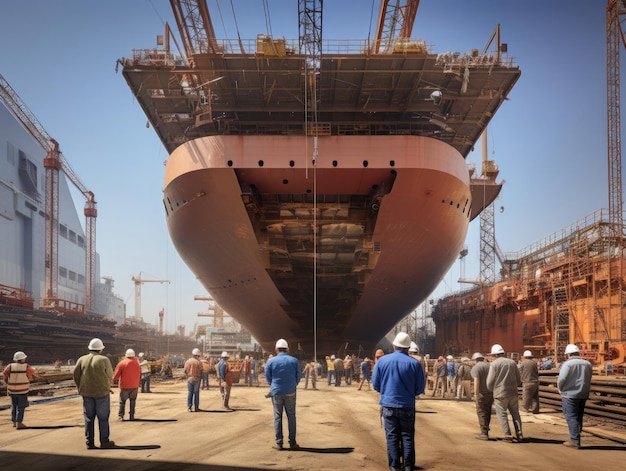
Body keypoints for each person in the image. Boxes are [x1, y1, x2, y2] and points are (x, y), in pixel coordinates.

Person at [372, 332, 425, 471]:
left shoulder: (382, 361)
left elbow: (375, 384)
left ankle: (394, 466)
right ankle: (408, 466)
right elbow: (419, 389)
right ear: (408, 347)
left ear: (394, 345)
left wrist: (386, 391)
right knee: (407, 436)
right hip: (407, 406)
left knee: (392, 437)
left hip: (388, 405)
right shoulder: (415, 364)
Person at [73, 338, 115, 449]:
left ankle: (89, 443)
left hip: (86, 393)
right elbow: (110, 375)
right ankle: (104, 441)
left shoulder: (82, 359)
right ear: (100, 349)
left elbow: (76, 375)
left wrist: (80, 389)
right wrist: (106, 387)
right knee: (103, 418)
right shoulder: (104, 359)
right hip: (102, 393)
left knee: (88, 418)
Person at [265, 338, 301, 451]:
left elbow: (268, 377)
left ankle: (279, 443)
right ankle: (293, 442)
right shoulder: (294, 361)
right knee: (291, 416)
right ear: (288, 349)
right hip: (290, 391)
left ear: (276, 349)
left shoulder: (270, 361)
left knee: (277, 417)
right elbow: (298, 376)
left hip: (276, 392)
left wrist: (274, 385)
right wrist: (292, 385)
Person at [486, 343, 523, 442]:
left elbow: (489, 381)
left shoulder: (494, 364)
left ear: (494, 355)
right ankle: (519, 434)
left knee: (502, 414)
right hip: (513, 392)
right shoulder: (512, 363)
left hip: (500, 393)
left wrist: (491, 389)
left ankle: (508, 435)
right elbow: (519, 379)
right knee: (515, 413)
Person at [557, 344, 592, 448]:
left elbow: (562, 379)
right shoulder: (588, 364)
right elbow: (589, 378)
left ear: (568, 355)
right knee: (578, 416)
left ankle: (575, 441)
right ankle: (577, 434)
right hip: (583, 394)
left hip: (569, 395)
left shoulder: (568, 364)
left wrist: (560, 389)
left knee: (571, 417)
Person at [3, 351, 35, 429]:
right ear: (22, 359)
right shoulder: (27, 367)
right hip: (22, 391)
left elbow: (5, 376)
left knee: (14, 405)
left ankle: (14, 422)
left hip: (12, 390)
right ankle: (19, 422)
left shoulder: (9, 366)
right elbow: (30, 376)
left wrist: (9, 384)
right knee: (21, 406)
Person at [112, 348, 141, 421]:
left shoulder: (122, 363)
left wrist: (113, 380)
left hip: (124, 386)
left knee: (122, 401)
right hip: (135, 385)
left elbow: (117, 374)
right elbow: (139, 373)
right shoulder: (137, 363)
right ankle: (132, 416)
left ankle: (121, 416)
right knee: (132, 401)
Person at [470, 352, 493, 440]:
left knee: (481, 412)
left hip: (481, 393)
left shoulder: (476, 367)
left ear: (475, 359)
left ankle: (484, 433)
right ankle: (486, 428)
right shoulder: (489, 366)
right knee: (488, 411)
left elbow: (476, 381)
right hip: (490, 392)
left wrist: (476, 394)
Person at [184, 348, 202, 412]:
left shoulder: (188, 361)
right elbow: (201, 370)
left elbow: (185, 370)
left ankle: (189, 407)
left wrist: (188, 376)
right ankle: (196, 408)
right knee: (196, 393)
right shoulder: (198, 362)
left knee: (190, 393)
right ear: (197, 355)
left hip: (189, 379)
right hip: (196, 379)